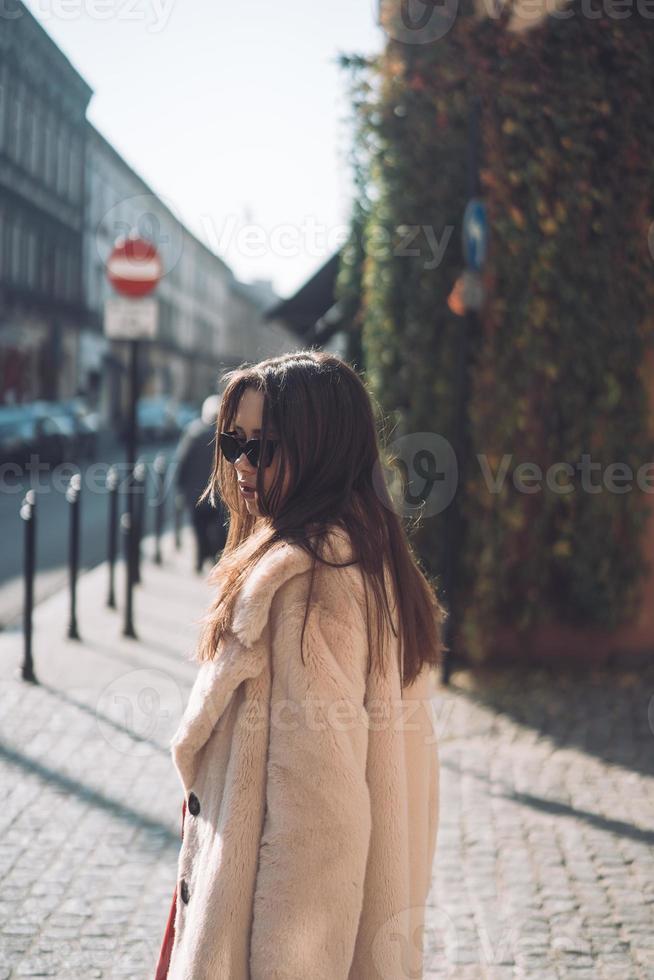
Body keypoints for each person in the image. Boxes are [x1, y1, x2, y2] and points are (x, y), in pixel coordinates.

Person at [154, 350, 448, 980]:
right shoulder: (374, 563)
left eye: (265, 447)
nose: (241, 465)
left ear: (322, 452)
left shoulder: (307, 587)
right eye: (235, 442)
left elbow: (317, 838)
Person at [173, 394, 228, 573]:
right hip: (219, 494)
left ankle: (200, 558)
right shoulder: (226, 434)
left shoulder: (193, 433)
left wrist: (179, 488)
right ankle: (212, 557)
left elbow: (182, 462)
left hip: (195, 493)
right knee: (217, 527)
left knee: (198, 528)